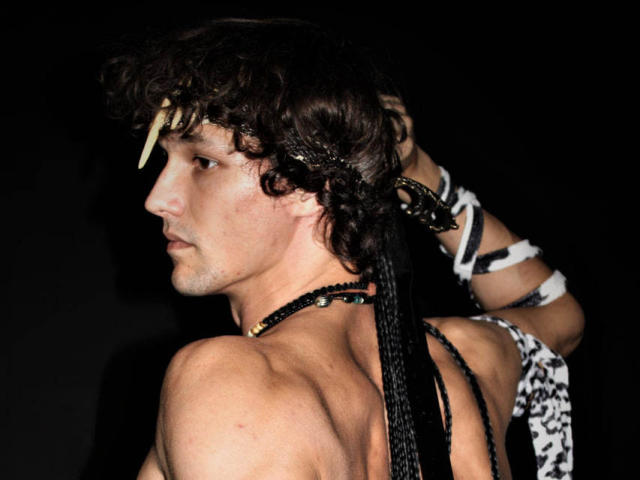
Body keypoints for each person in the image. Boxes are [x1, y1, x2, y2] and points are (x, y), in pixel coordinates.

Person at [102, 18, 584, 479]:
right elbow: (554, 310)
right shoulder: (465, 360)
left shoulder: (232, 382)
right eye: (166, 160)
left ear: (309, 186)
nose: (157, 199)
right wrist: (419, 173)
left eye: (203, 162)